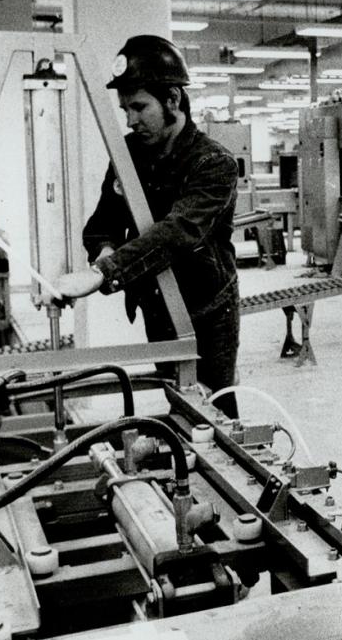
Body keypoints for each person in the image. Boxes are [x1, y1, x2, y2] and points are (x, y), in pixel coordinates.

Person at [51, 34, 240, 403]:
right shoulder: (130, 154)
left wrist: (101, 273)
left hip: (207, 310)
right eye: (125, 110)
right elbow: (101, 222)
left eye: (140, 107)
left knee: (214, 414)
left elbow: (177, 233)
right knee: (178, 401)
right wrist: (104, 250)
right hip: (158, 304)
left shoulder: (214, 163)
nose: (131, 119)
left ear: (172, 99)